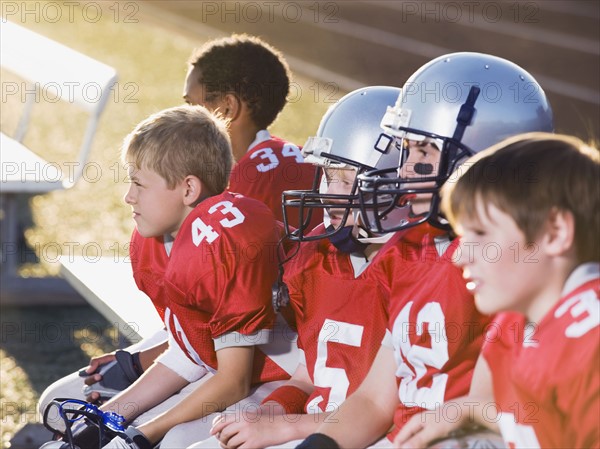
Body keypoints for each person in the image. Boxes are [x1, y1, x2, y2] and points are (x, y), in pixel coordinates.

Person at [295, 52, 555, 449]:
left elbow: (501, 411)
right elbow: (372, 399)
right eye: (406, 151)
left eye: (423, 153)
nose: (401, 171)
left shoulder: (519, 263)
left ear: (482, 156)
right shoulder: (408, 249)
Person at [41, 105, 296, 449]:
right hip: (220, 369)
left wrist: (142, 433)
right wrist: (107, 418)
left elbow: (234, 380)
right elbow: (189, 352)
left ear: (188, 189)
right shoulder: (155, 241)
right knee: (81, 421)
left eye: (138, 183)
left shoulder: (224, 244)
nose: (128, 196)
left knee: (172, 441)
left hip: (284, 377)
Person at [188, 86, 406, 449]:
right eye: (328, 175)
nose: (330, 191)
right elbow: (311, 375)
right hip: (316, 423)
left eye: (347, 178)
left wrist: (288, 427)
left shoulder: (409, 273)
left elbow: (382, 407)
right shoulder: (316, 255)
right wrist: (269, 413)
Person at [394, 132, 599, 449]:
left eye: (479, 233)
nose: (460, 254)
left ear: (555, 232)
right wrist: (470, 407)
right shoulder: (521, 317)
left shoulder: (588, 344)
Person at [183, 34, 321, 231]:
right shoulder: (310, 162)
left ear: (227, 108)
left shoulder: (243, 183)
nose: (183, 116)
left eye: (190, 104)